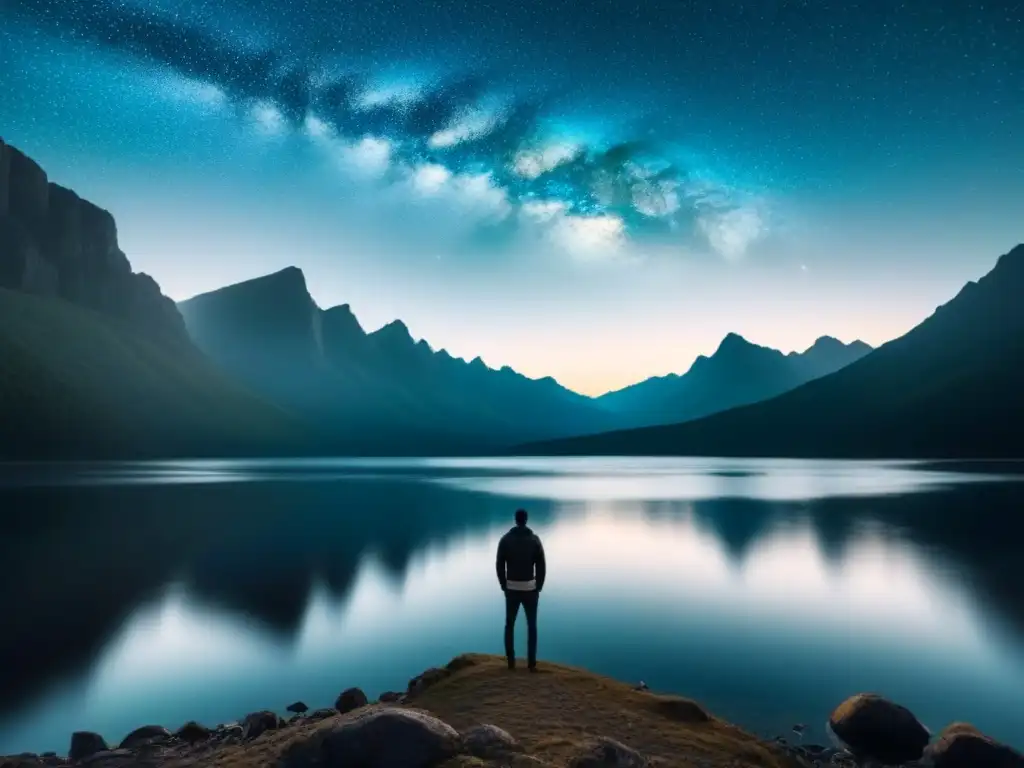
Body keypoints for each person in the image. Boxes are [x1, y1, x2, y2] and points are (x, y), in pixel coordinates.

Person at [495, 508, 546, 671]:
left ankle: (511, 662)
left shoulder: (505, 540)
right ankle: (531, 664)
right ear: (526, 520)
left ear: (515, 520)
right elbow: (541, 565)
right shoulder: (534, 540)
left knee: (509, 625)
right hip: (530, 589)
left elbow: (499, 565)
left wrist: (503, 584)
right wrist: (539, 585)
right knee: (532, 626)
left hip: (512, 589)